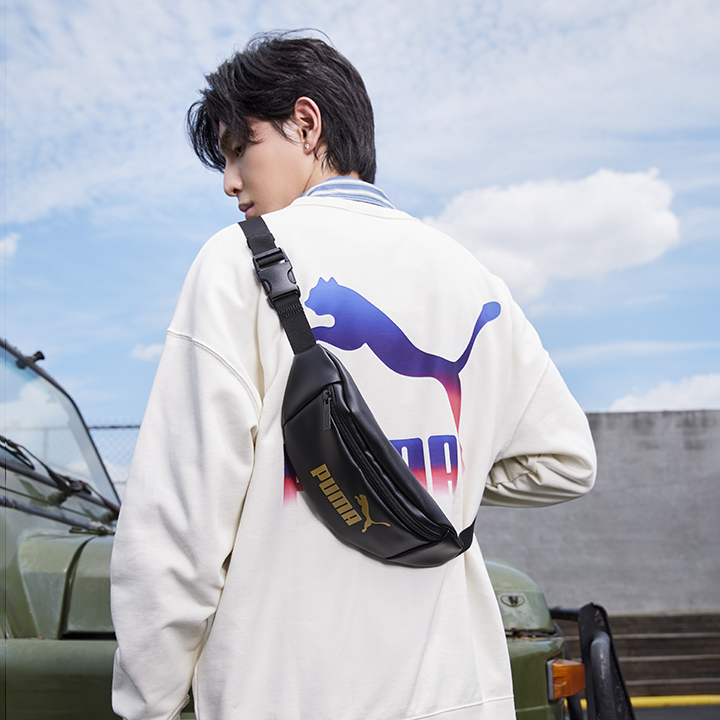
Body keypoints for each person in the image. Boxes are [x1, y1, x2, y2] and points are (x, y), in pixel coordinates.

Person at [111, 32, 596, 720]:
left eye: (239, 148)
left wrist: (147, 704)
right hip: (458, 697)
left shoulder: (236, 263)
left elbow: (176, 529)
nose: (229, 181)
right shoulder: (470, 275)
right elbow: (565, 463)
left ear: (305, 124)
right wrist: (429, 470)